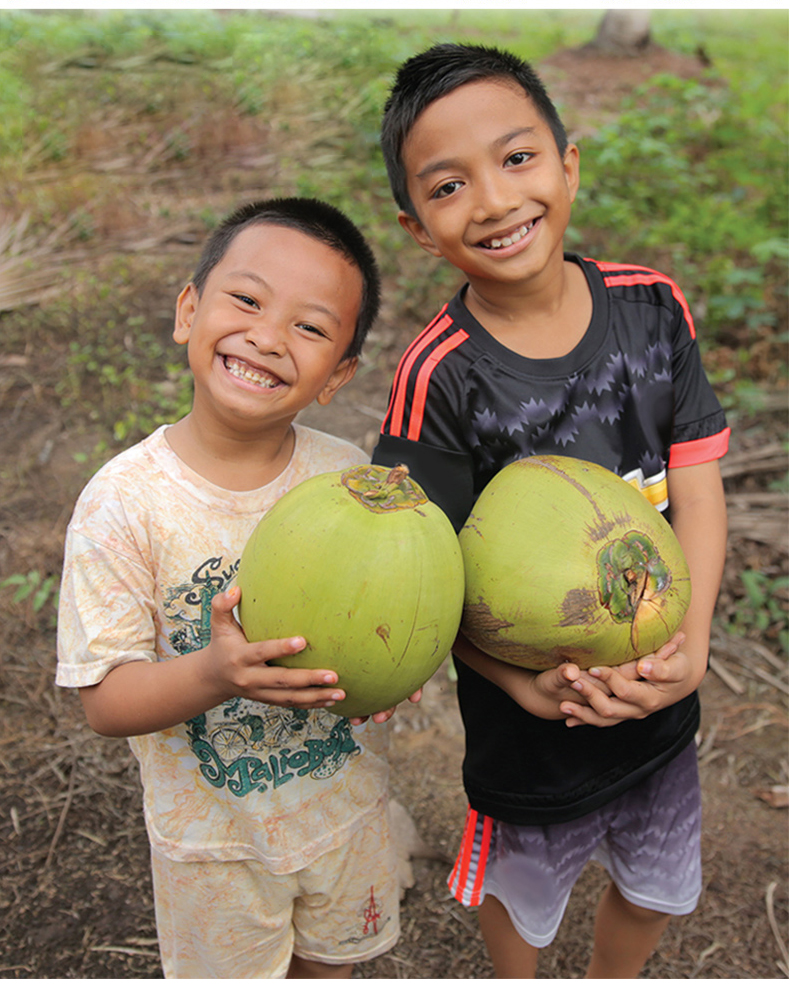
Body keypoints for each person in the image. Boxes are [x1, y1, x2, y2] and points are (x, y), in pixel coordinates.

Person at [371, 43, 729, 979]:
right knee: (520, 910)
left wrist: (689, 647)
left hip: (660, 712)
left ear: (569, 165)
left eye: (517, 158)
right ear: (415, 226)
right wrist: (514, 680)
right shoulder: (437, 378)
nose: (492, 200)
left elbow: (696, 488)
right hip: (528, 739)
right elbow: (418, 572)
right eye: (449, 187)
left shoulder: (653, 310)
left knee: (653, 892)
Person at [56, 197, 404, 979]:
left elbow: (386, 616)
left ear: (337, 375)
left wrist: (393, 666)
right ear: (189, 310)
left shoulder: (347, 476)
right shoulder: (124, 504)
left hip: (345, 814)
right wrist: (213, 674)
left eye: (310, 328)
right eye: (246, 300)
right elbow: (105, 702)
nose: (268, 337)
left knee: (331, 970)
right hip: (213, 848)